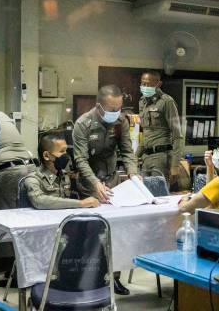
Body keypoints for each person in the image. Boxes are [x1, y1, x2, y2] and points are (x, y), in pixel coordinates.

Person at [72, 84, 137, 295]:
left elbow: (127, 151)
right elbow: (80, 159)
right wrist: (94, 183)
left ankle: (114, 278)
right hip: (89, 184)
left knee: (116, 232)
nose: (115, 113)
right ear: (99, 106)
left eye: (119, 108)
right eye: (111, 109)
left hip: (112, 182)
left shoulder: (121, 122)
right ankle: (90, 279)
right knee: (92, 234)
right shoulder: (83, 124)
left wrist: (134, 175)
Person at [24, 130, 99, 209]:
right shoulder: (34, 179)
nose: (66, 155)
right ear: (46, 155)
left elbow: (81, 192)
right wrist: (81, 203)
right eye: (62, 151)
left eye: (66, 151)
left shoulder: (65, 175)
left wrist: (97, 193)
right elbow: (39, 200)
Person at [138, 70, 187, 190]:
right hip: (146, 158)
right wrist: (135, 157)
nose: (144, 87)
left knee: (158, 196)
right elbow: (146, 133)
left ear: (158, 84)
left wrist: (175, 165)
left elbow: (178, 136)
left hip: (161, 157)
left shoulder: (166, 102)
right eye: (142, 84)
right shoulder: (143, 102)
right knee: (145, 196)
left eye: (148, 84)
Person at [0, 110, 39, 209]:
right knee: (29, 211)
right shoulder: (1, 114)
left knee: (9, 215)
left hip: (10, 170)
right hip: (31, 166)